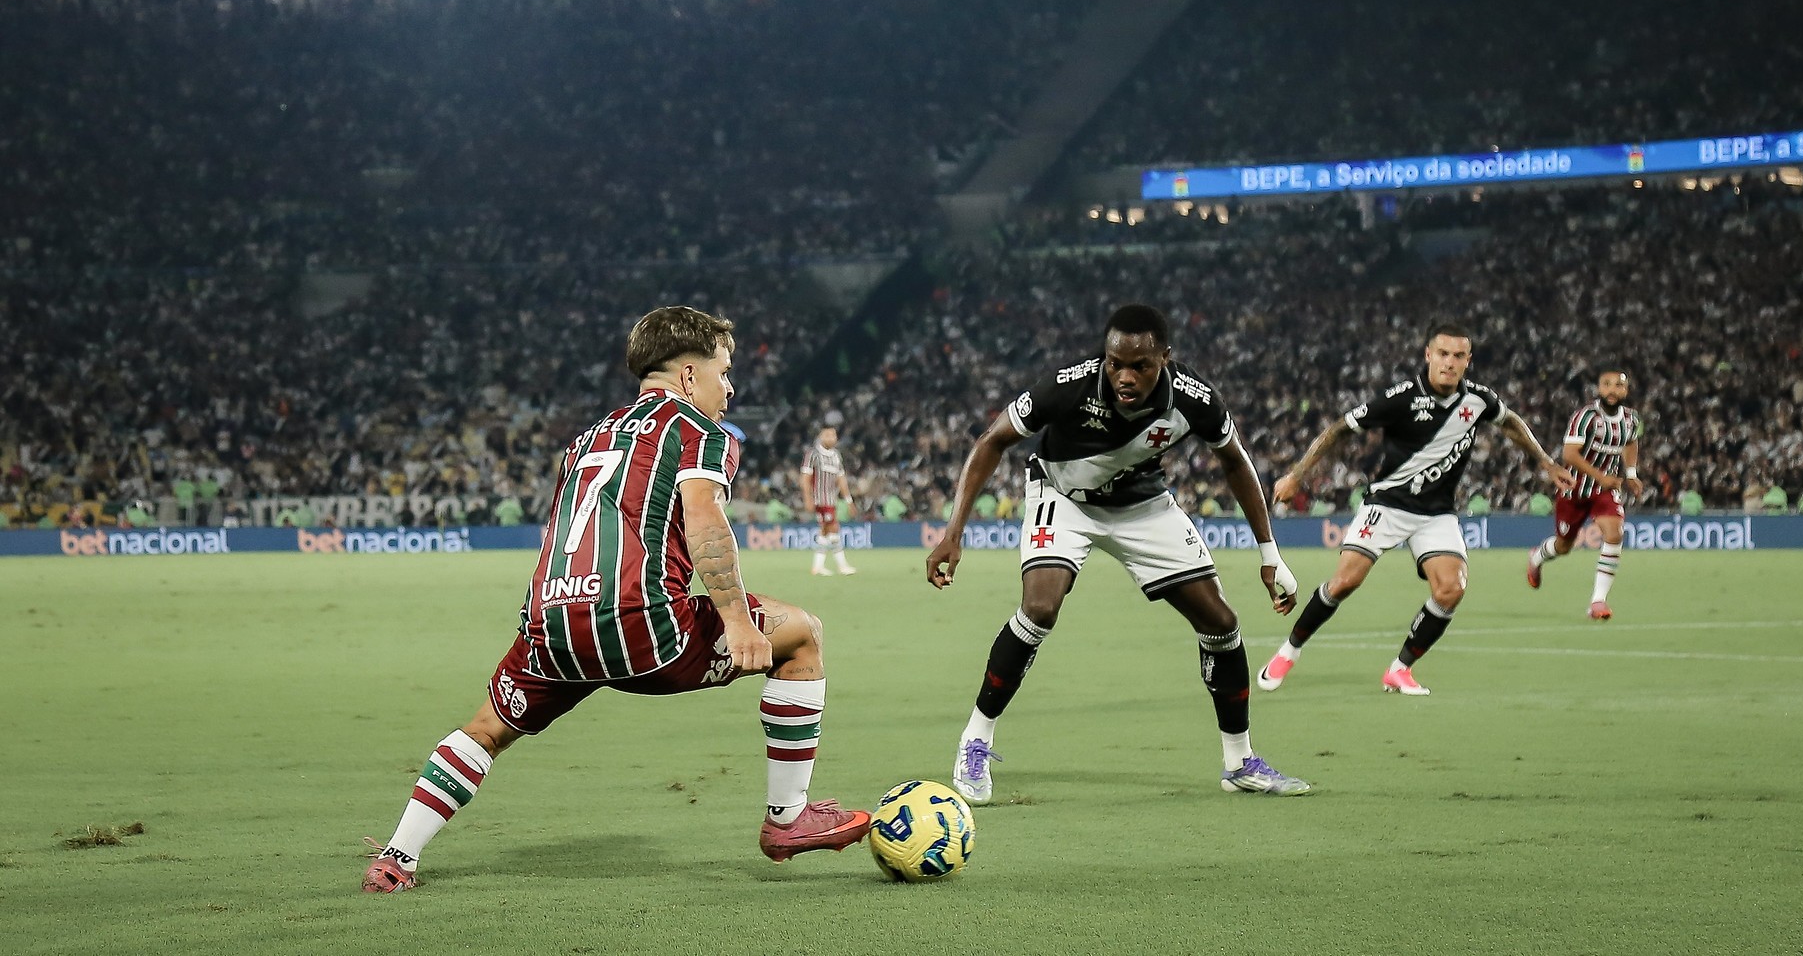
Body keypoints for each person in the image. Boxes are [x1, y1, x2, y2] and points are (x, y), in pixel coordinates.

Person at [362, 306, 869, 893]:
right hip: (644, 629)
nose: (729, 388)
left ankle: (398, 857)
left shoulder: (587, 438)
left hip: (553, 625)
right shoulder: (696, 432)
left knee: (486, 730)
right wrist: (737, 620)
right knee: (803, 635)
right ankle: (788, 817)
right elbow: (705, 521)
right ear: (686, 376)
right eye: (723, 372)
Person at [925, 303, 1311, 802]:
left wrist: (1269, 552)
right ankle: (975, 738)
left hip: (1142, 506)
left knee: (1221, 622)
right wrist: (954, 530)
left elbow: (1235, 462)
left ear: (1165, 360)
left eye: (1140, 366)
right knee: (1039, 609)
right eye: (1115, 363)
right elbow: (991, 441)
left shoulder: (1195, 399)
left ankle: (1240, 762)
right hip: (1062, 497)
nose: (1124, 376)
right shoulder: (1067, 385)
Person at [1257, 323, 1573, 696]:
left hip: (1436, 514)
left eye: (1458, 356)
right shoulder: (1401, 397)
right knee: (1345, 581)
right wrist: (1296, 475)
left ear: (1468, 361)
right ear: (1428, 355)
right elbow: (1340, 429)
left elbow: (1512, 423)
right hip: (1387, 505)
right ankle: (1287, 653)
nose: (1449, 363)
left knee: (1451, 589)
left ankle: (1400, 669)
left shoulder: (1479, 400)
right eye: (1442, 354)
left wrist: (1546, 462)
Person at [1527, 368, 1644, 619]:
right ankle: (1537, 558)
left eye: (1619, 386)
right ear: (1599, 389)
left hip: (1605, 490)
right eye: (1607, 384)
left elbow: (1632, 441)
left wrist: (1631, 474)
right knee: (1564, 545)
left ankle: (1598, 602)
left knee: (1614, 533)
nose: (1612, 390)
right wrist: (1600, 476)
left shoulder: (1631, 419)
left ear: (1626, 390)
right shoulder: (1586, 416)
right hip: (1574, 488)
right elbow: (1569, 454)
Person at [802, 420, 857, 576]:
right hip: (820, 500)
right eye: (827, 435)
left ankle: (817, 566)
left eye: (833, 435)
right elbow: (805, 478)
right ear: (820, 436)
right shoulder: (813, 454)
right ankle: (842, 566)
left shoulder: (836, 456)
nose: (831, 438)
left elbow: (841, 479)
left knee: (826, 531)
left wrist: (849, 501)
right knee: (833, 528)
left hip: (831, 501)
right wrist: (808, 498)